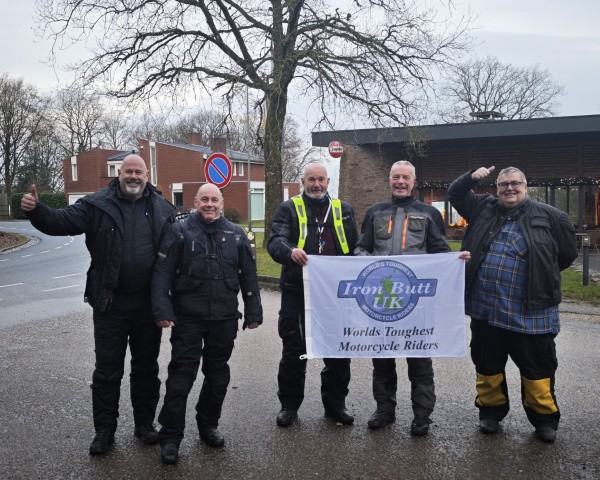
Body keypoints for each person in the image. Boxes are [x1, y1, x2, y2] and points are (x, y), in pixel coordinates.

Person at [20, 154, 176, 454]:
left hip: (148, 306)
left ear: (147, 175)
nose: (133, 176)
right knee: (107, 371)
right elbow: (61, 221)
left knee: (146, 368)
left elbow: (175, 256)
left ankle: (145, 424)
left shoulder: (163, 208)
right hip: (110, 302)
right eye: (128, 171)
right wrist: (37, 210)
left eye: (138, 172)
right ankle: (104, 430)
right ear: (119, 173)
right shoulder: (97, 204)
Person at [448, 166, 578, 442]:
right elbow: (455, 194)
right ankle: (490, 413)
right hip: (486, 309)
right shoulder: (482, 208)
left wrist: (539, 275)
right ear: (497, 188)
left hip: (532, 311)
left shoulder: (552, 217)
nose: (510, 188)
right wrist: (471, 176)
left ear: (525, 186)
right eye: (504, 184)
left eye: (515, 183)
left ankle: (544, 419)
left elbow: (566, 256)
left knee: (538, 370)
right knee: (487, 366)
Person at [152, 183, 262, 464]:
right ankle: (170, 436)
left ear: (222, 203)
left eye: (214, 199)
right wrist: (162, 309)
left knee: (217, 375)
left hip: (224, 317)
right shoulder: (179, 231)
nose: (209, 204)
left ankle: (208, 425)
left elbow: (249, 275)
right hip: (188, 317)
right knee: (181, 376)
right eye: (204, 200)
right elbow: (163, 273)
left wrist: (253, 312)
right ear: (195, 202)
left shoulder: (236, 234)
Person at [354, 160, 452, 436]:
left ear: (413, 182)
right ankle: (384, 410)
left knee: (419, 362)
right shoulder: (375, 212)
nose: (400, 182)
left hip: (416, 304)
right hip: (382, 302)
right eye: (396, 177)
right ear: (389, 180)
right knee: (382, 361)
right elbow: (361, 248)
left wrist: (455, 262)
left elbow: (441, 253)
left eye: (405, 177)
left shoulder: (430, 213)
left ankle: (422, 415)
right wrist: (367, 261)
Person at [267, 163, 358, 427]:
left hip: (335, 294)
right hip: (298, 291)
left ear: (328, 181)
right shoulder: (288, 208)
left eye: (320, 179)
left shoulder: (344, 210)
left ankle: (336, 405)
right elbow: (275, 241)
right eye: (311, 180)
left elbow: (357, 246)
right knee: (295, 352)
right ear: (303, 182)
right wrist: (290, 251)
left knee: (338, 351)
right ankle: (289, 406)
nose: (316, 184)